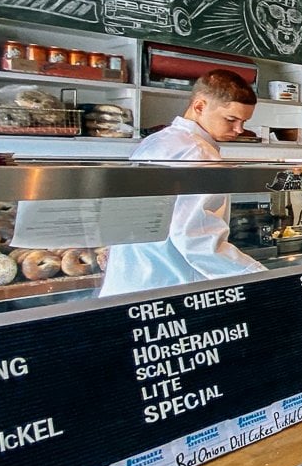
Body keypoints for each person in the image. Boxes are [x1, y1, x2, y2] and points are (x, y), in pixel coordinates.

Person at [99, 70, 268, 297]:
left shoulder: (156, 141)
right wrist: (261, 279)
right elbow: (196, 238)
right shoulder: (197, 152)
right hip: (171, 285)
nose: (239, 130)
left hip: (131, 281)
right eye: (231, 119)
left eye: (243, 122)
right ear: (199, 106)